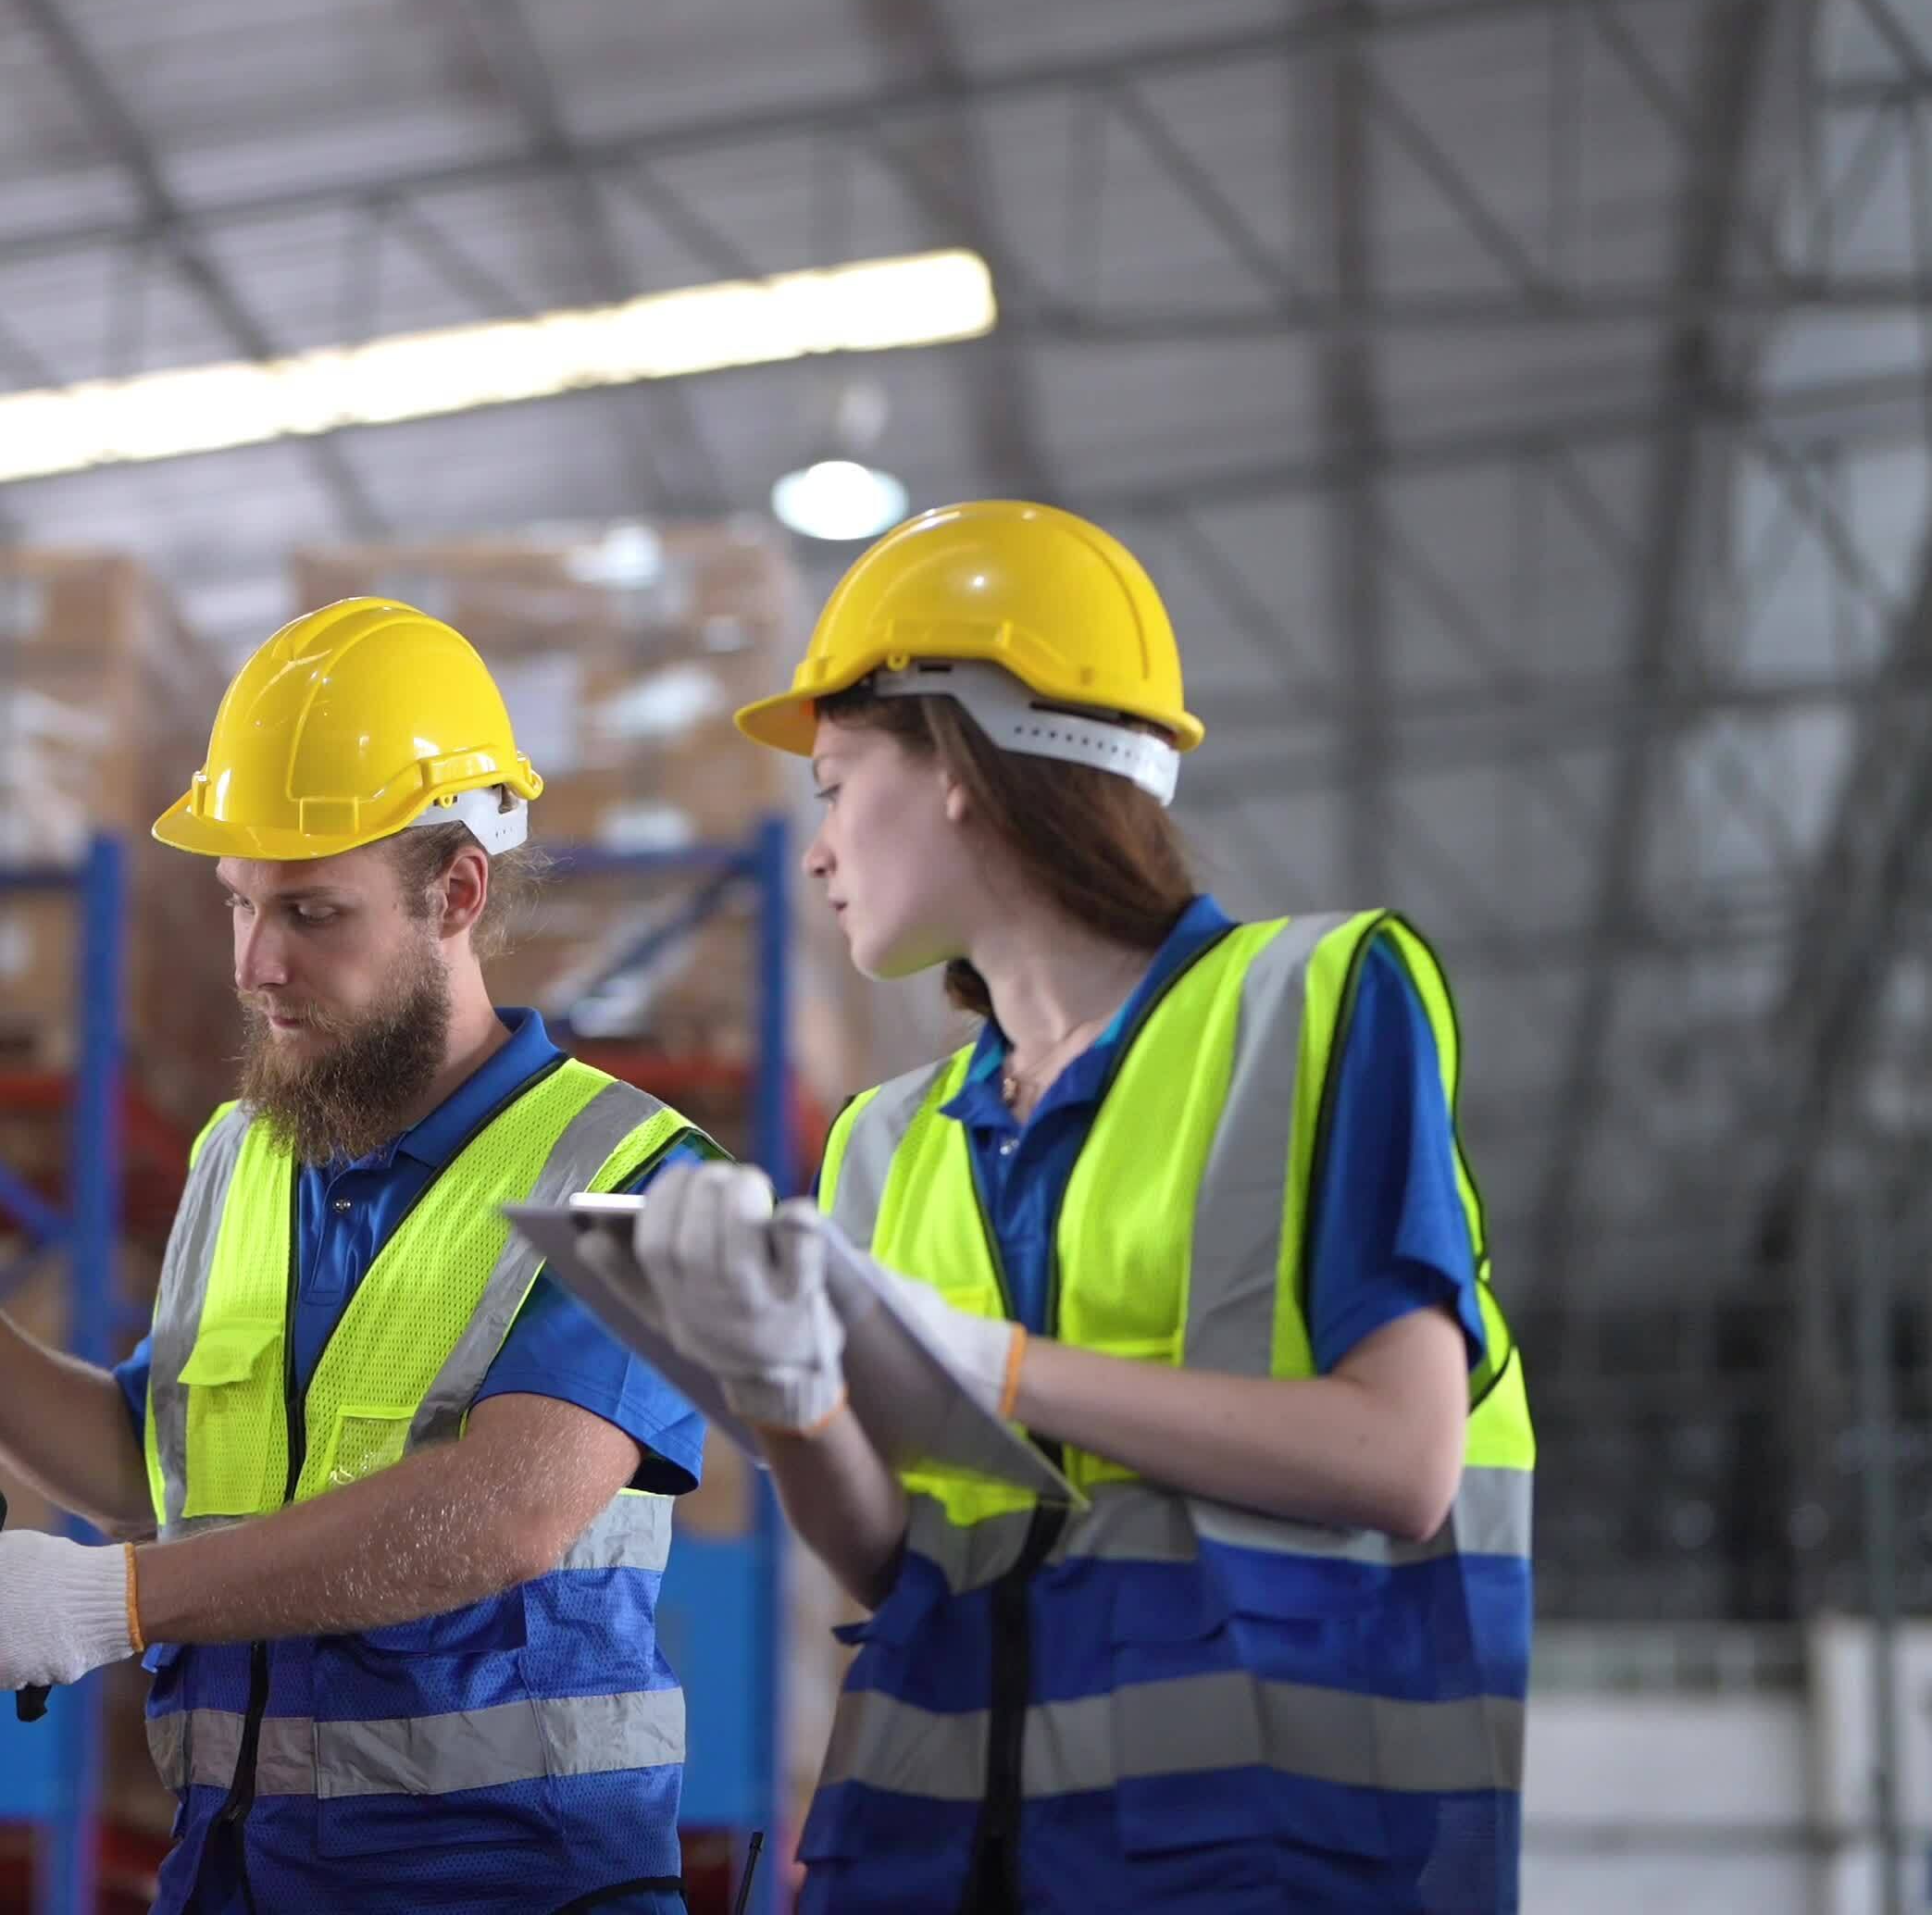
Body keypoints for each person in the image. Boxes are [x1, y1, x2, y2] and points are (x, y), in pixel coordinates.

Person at [625, 501, 1532, 1913]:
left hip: (1243, 1864)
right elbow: (897, 1558)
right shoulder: (883, 1142)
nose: (815, 851)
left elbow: (1400, 1455)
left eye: (834, 781)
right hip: (931, 1865)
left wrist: (982, 1368)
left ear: (958, 769)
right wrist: (790, 1394)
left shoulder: (1317, 1006)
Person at [0, 598, 722, 1914]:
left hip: (513, 1890)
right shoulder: (243, 1159)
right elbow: (153, 1466)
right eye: (238, 906)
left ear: (457, 893)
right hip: (232, 1873)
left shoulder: (634, 1176)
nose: (258, 965)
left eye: (314, 914)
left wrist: (122, 1603)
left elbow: (508, 1511)